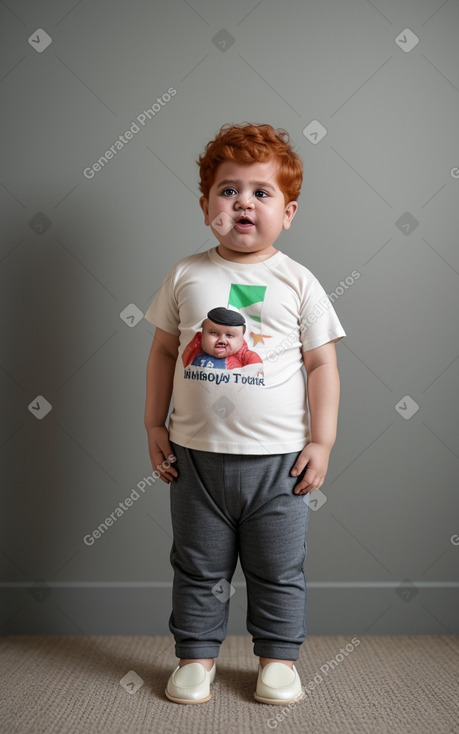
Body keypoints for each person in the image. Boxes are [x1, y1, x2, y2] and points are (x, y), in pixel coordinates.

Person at [144, 122, 346, 705]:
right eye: (229, 191)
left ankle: (278, 661)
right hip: (196, 459)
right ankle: (195, 658)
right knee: (198, 566)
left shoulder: (297, 281)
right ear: (205, 205)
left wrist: (323, 441)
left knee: (279, 569)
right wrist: (155, 426)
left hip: (279, 464)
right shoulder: (186, 274)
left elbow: (322, 366)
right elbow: (161, 353)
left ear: (290, 212)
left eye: (262, 193)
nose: (244, 205)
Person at [182, 306, 263, 369]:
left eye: (229, 335)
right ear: (202, 335)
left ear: (242, 339)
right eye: (214, 333)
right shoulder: (197, 346)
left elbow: (255, 367)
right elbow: (184, 362)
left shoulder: (244, 355)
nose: (222, 340)